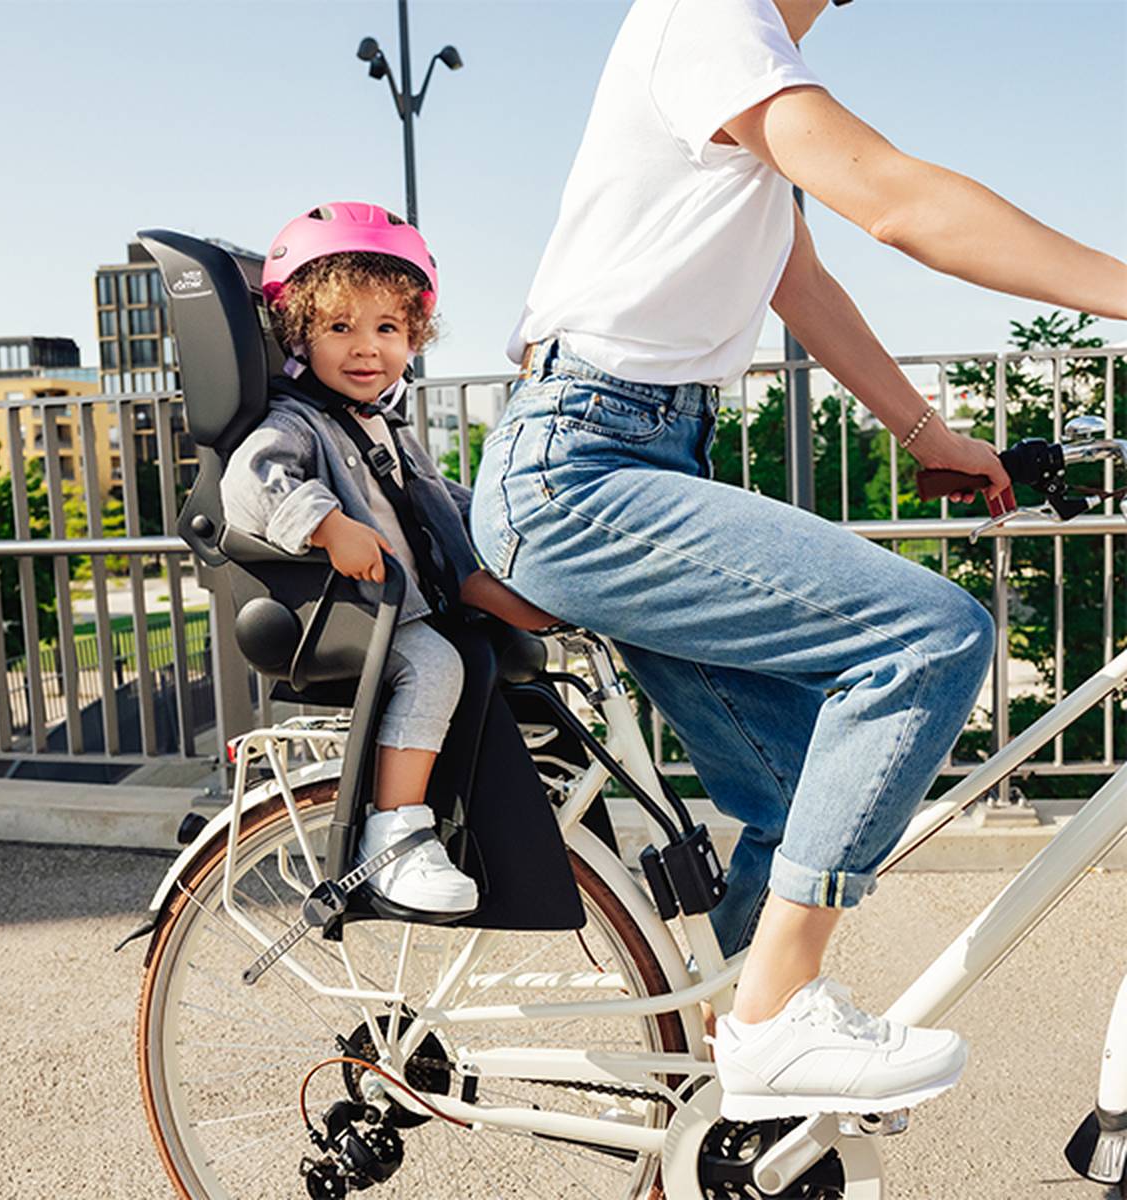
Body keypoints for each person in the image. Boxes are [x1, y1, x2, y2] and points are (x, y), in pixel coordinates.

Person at [469, 0, 1127, 1120]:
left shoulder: (745, 65)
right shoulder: (708, 16)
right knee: (928, 633)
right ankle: (775, 1020)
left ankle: (736, 1083)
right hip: (580, 473)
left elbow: (801, 282)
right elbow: (902, 204)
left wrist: (931, 435)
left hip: (634, 458)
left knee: (788, 798)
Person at [221, 202, 555, 916]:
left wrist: (512, 525)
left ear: (413, 338)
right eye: (339, 327)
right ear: (299, 334)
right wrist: (324, 523)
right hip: (364, 614)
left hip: (430, 592)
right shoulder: (297, 420)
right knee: (437, 667)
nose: (365, 347)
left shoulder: (385, 427)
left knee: (530, 658)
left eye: (387, 328)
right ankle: (394, 836)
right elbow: (249, 482)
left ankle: (533, 822)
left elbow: (445, 503)